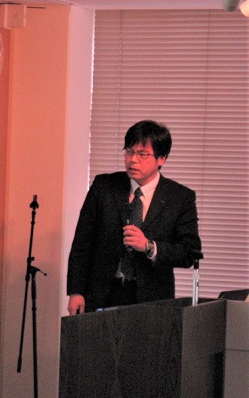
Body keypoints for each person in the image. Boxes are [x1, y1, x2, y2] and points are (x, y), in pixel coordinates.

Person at [67, 120, 201, 315]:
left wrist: (149, 246)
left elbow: (189, 252)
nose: (133, 160)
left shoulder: (179, 198)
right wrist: (76, 291)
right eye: (129, 151)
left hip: (152, 297)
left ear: (161, 159)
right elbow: (82, 242)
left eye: (142, 154)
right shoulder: (104, 187)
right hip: (102, 293)